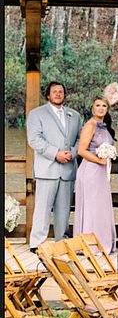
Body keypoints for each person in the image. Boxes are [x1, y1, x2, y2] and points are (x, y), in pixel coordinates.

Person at [26, 81, 82, 252]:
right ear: (48, 95)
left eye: (61, 91)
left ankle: (62, 241)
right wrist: (55, 153)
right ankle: (37, 243)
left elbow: (81, 139)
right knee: (42, 208)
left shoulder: (75, 115)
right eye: (54, 92)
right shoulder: (36, 114)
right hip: (47, 168)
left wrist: (73, 152)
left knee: (64, 210)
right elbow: (34, 139)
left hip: (68, 169)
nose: (58, 94)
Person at [74, 96, 117, 253]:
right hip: (91, 171)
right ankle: (89, 244)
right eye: (97, 105)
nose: (101, 108)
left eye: (104, 106)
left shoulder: (104, 126)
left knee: (101, 207)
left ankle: (102, 241)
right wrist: (99, 161)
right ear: (92, 108)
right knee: (92, 206)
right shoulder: (90, 125)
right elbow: (81, 151)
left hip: (101, 173)